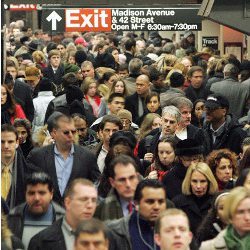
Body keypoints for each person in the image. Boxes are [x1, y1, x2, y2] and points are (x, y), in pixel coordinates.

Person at [27, 114, 100, 206]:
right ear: (54, 133)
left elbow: (96, 184)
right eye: (66, 132)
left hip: (77, 211)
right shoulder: (38, 156)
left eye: (73, 132)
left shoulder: (87, 156)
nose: (70, 135)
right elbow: (28, 184)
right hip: (47, 211)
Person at [28, 179, 98, 250]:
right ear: (68, 203)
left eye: (94, 200)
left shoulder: (106, 236)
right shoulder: (40, 242)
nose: (90, 205)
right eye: (84, 199)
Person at [106, 179, 171, 250]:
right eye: (150, 202)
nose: (156, 207)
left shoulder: (175, 230)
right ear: (136, 203)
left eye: (161, 202)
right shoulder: (115, 231)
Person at [7, 172, 65, 249]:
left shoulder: (63, 218)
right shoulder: (12, 217)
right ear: (25, 194)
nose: (36, 198)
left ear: (51, 194)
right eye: (31, 193)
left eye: (42, 193)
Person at [173, 162, 218, 234]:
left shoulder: (217, 202)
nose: (198, 186)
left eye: (203, 181)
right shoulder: (177, 203)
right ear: (189, 182)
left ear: (209, 182)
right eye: (194, 181)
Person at [94, 155, 139, 221]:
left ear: (137, 177)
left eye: (131, 178)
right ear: (112, 182)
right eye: (122, 180)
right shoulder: (101, 210)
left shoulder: (152, 201)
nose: (128, 184)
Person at [1, 124, 28, 208]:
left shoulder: (28, 173)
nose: (6, 146)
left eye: (10, 142)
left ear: (17, 143)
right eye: (2, 141)